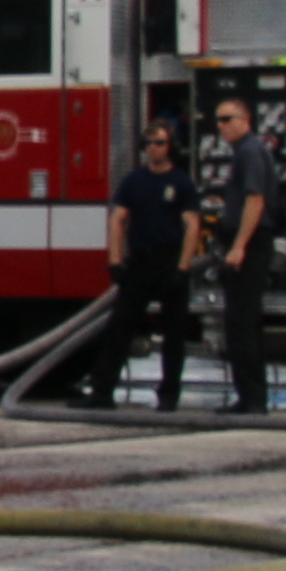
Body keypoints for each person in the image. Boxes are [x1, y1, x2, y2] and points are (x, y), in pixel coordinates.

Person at [85, 118, 197, 410]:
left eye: (159, 143)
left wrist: (183, 269)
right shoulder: (134, 181)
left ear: (171, 147)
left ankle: (169, 396)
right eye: (148, 143)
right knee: (119, 325)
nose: (153, 149)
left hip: (169, 261)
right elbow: (118, 219)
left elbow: (192, 226)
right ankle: (101, 392)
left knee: (174, 334)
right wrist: (115, 261)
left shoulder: (181, 182)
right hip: (140, 261)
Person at [204, 92, 283, 414]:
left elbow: (255, 200)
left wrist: (238, 246)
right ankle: (250, 397)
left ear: (245, 121)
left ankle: (252, 400)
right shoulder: (247, 151)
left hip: (250, 245)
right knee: (241, 323)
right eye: (218, 120)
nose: (221, 126)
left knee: (242, 324)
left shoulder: (250, 151)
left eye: (227, 119)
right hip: (248, 242)